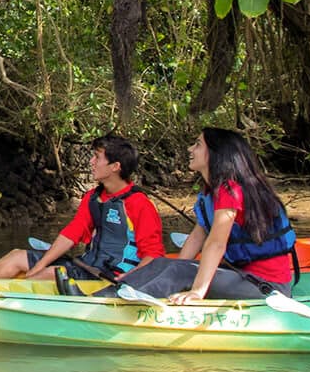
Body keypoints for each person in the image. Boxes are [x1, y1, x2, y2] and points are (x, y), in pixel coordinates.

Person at [107, 127, 295, 302]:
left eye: (197, 144)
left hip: (265, 286)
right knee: (161, 264)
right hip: (241, 276)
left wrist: (197, 291)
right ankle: (100, 297)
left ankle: (114, 305)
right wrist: (169, 269)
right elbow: (197, 237)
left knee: (181, 272)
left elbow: (216, 244)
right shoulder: (211, 192)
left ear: (215, 153)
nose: (190, 149)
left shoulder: (230, 190)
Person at [0, 134, 164, 282]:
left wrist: (127, 279)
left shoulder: (139, 204)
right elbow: (72, 234)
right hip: (85, 265)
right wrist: (39, 264)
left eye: (97, 157)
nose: (91, 162)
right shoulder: (93, 197)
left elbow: (154, 255)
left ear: (115, 166)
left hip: (111, 275)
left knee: (44, 276)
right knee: (17, 256)